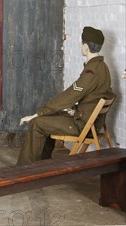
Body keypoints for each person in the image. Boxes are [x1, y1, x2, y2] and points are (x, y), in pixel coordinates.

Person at [16, 26, 115, 165]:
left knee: (37, 123)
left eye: (82, 44)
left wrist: (38, 113)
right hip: (89, 121)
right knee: (48, 117)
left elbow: (69, 96)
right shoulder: (102, 67)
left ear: (86, 47)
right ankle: (42, 166)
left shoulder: (91, 71)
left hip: (82, 124)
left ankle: (22, 171)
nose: (81, 46)